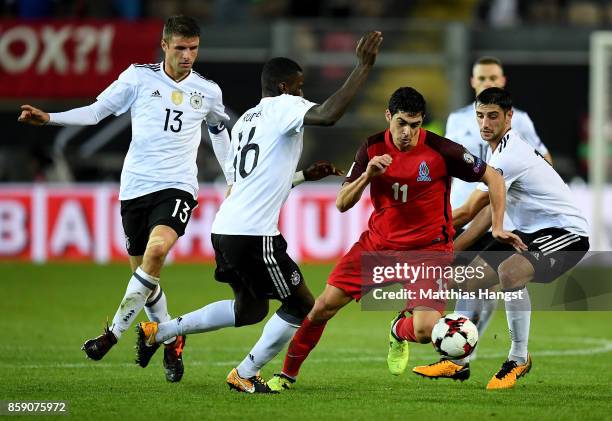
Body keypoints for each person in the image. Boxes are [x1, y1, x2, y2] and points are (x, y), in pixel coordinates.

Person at [135, 31, 384, 393]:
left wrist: (300, 176)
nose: (302, 94)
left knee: (249, 310)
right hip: (254, 235)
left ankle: (160, 330)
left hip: (226, 230)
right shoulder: (286, 106)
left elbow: (253, 180)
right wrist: (362, 67)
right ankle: (245, 373)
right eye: (299, 87)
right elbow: (329, 115)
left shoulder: (247, 120)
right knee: (302, 306)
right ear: (284, 87)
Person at [17, 15, 237, 382]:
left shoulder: (208, 90)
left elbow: (218, 130)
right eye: (180, 48)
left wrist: (231, 177)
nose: (187, 56)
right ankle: (169, 337)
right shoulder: (138, 77)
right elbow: (97, 111)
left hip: (178, 186)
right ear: (165, 45)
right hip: (135, 188)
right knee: (144, 276)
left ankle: (112, 333)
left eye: (193, 48)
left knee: (156, 252)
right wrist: (50, 118)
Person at [266, 86, 521, 392]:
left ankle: (399, 330)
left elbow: (493, 176)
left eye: (415, 125)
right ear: (388, 116)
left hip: (428, 251)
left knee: (426, 331)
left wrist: (496, 224)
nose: (407, 133)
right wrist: (367, 176)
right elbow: (342, 203)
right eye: (401, 123)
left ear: (422, 122)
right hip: (378, 246)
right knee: (322, 307)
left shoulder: (442, 150)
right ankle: (286, 375)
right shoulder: (371, 148)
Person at [412, 87, 589, 390]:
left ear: (509, 117)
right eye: (480, 116)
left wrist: (422, 237)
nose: (485, 124)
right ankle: (456, 362)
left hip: (566, 233)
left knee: (509, 272)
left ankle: (518, 358)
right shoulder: (498, 151)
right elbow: (485, 212)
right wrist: (452, 249)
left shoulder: (509, 155)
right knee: (467, 280)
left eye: (493, 116)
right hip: (529, 232)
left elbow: (468, 210)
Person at [446, 56, 552, 346]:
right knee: (472, 285)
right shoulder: (455, 120)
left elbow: (544, 159)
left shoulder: (520, 120)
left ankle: (458, 353)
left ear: (502, 81)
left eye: (492, 78)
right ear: (472, 82)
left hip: (498, 216)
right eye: (481, 78)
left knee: (481, 282)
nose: (487, 83)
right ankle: (461, 352)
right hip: (462, 210)